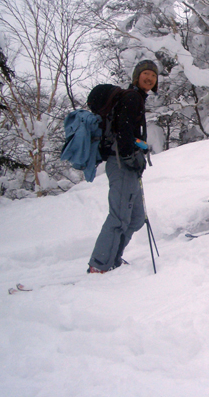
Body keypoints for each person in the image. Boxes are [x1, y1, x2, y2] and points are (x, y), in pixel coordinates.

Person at [88, 60, 158, 273]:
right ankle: (99, 264)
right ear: (137, 76)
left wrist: (137, 149)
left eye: (153, 75)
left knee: (136, 218)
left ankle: (113, 259)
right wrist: (129, 156)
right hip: (121, 164)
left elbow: (128, 131)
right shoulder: (132, 97)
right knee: (119, 217)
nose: (149, 78)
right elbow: (123, 130)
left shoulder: (136, 98)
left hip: (128, 164)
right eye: (146, 73)